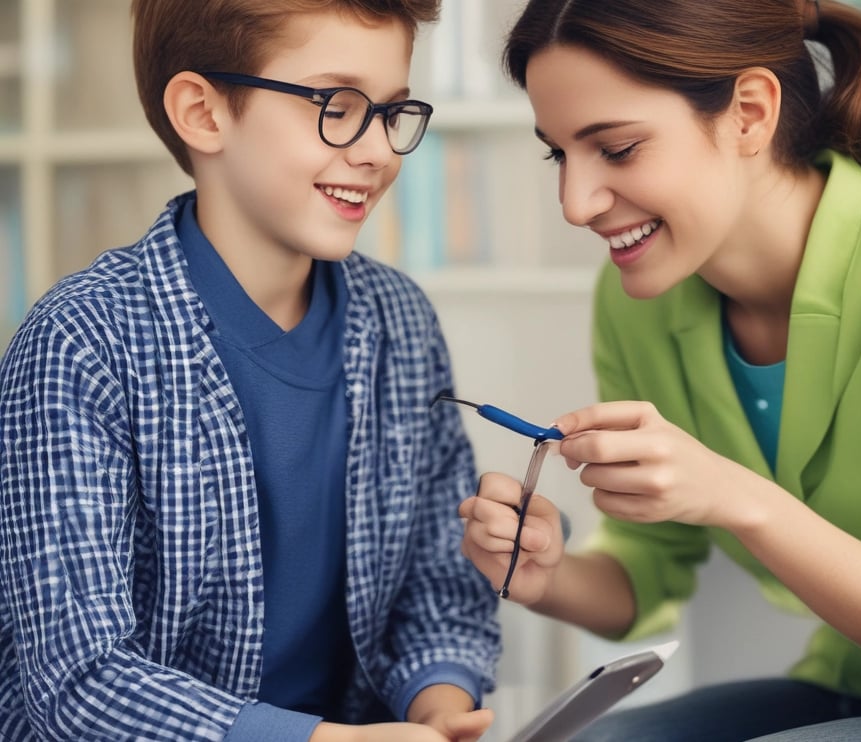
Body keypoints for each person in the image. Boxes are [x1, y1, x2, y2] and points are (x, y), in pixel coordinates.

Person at [458, 1, 861, 740]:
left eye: (618, 148)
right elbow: (651, 564)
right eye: (559, 153)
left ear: (751, 113)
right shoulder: (640, 299)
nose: (575, 203)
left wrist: (736, 495)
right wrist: (547, 576)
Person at [0, 1, 500, 740]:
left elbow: (437, 591)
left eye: (391, 112)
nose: (379, 153)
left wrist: (441, 710)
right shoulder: (80, 343)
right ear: (202, 113)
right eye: (338, 106)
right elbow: (80, 681)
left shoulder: (400, 322)